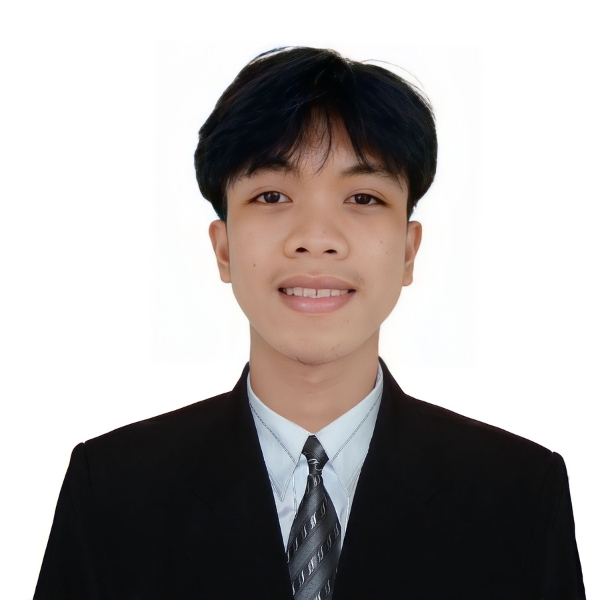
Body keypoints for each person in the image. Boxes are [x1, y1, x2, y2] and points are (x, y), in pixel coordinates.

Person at [34, 46, 585, 599]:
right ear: (223, 249)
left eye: (362, 197)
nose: (316, 238)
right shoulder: (110, 491)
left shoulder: (519, 495)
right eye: (272, 195)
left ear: (408, 252)